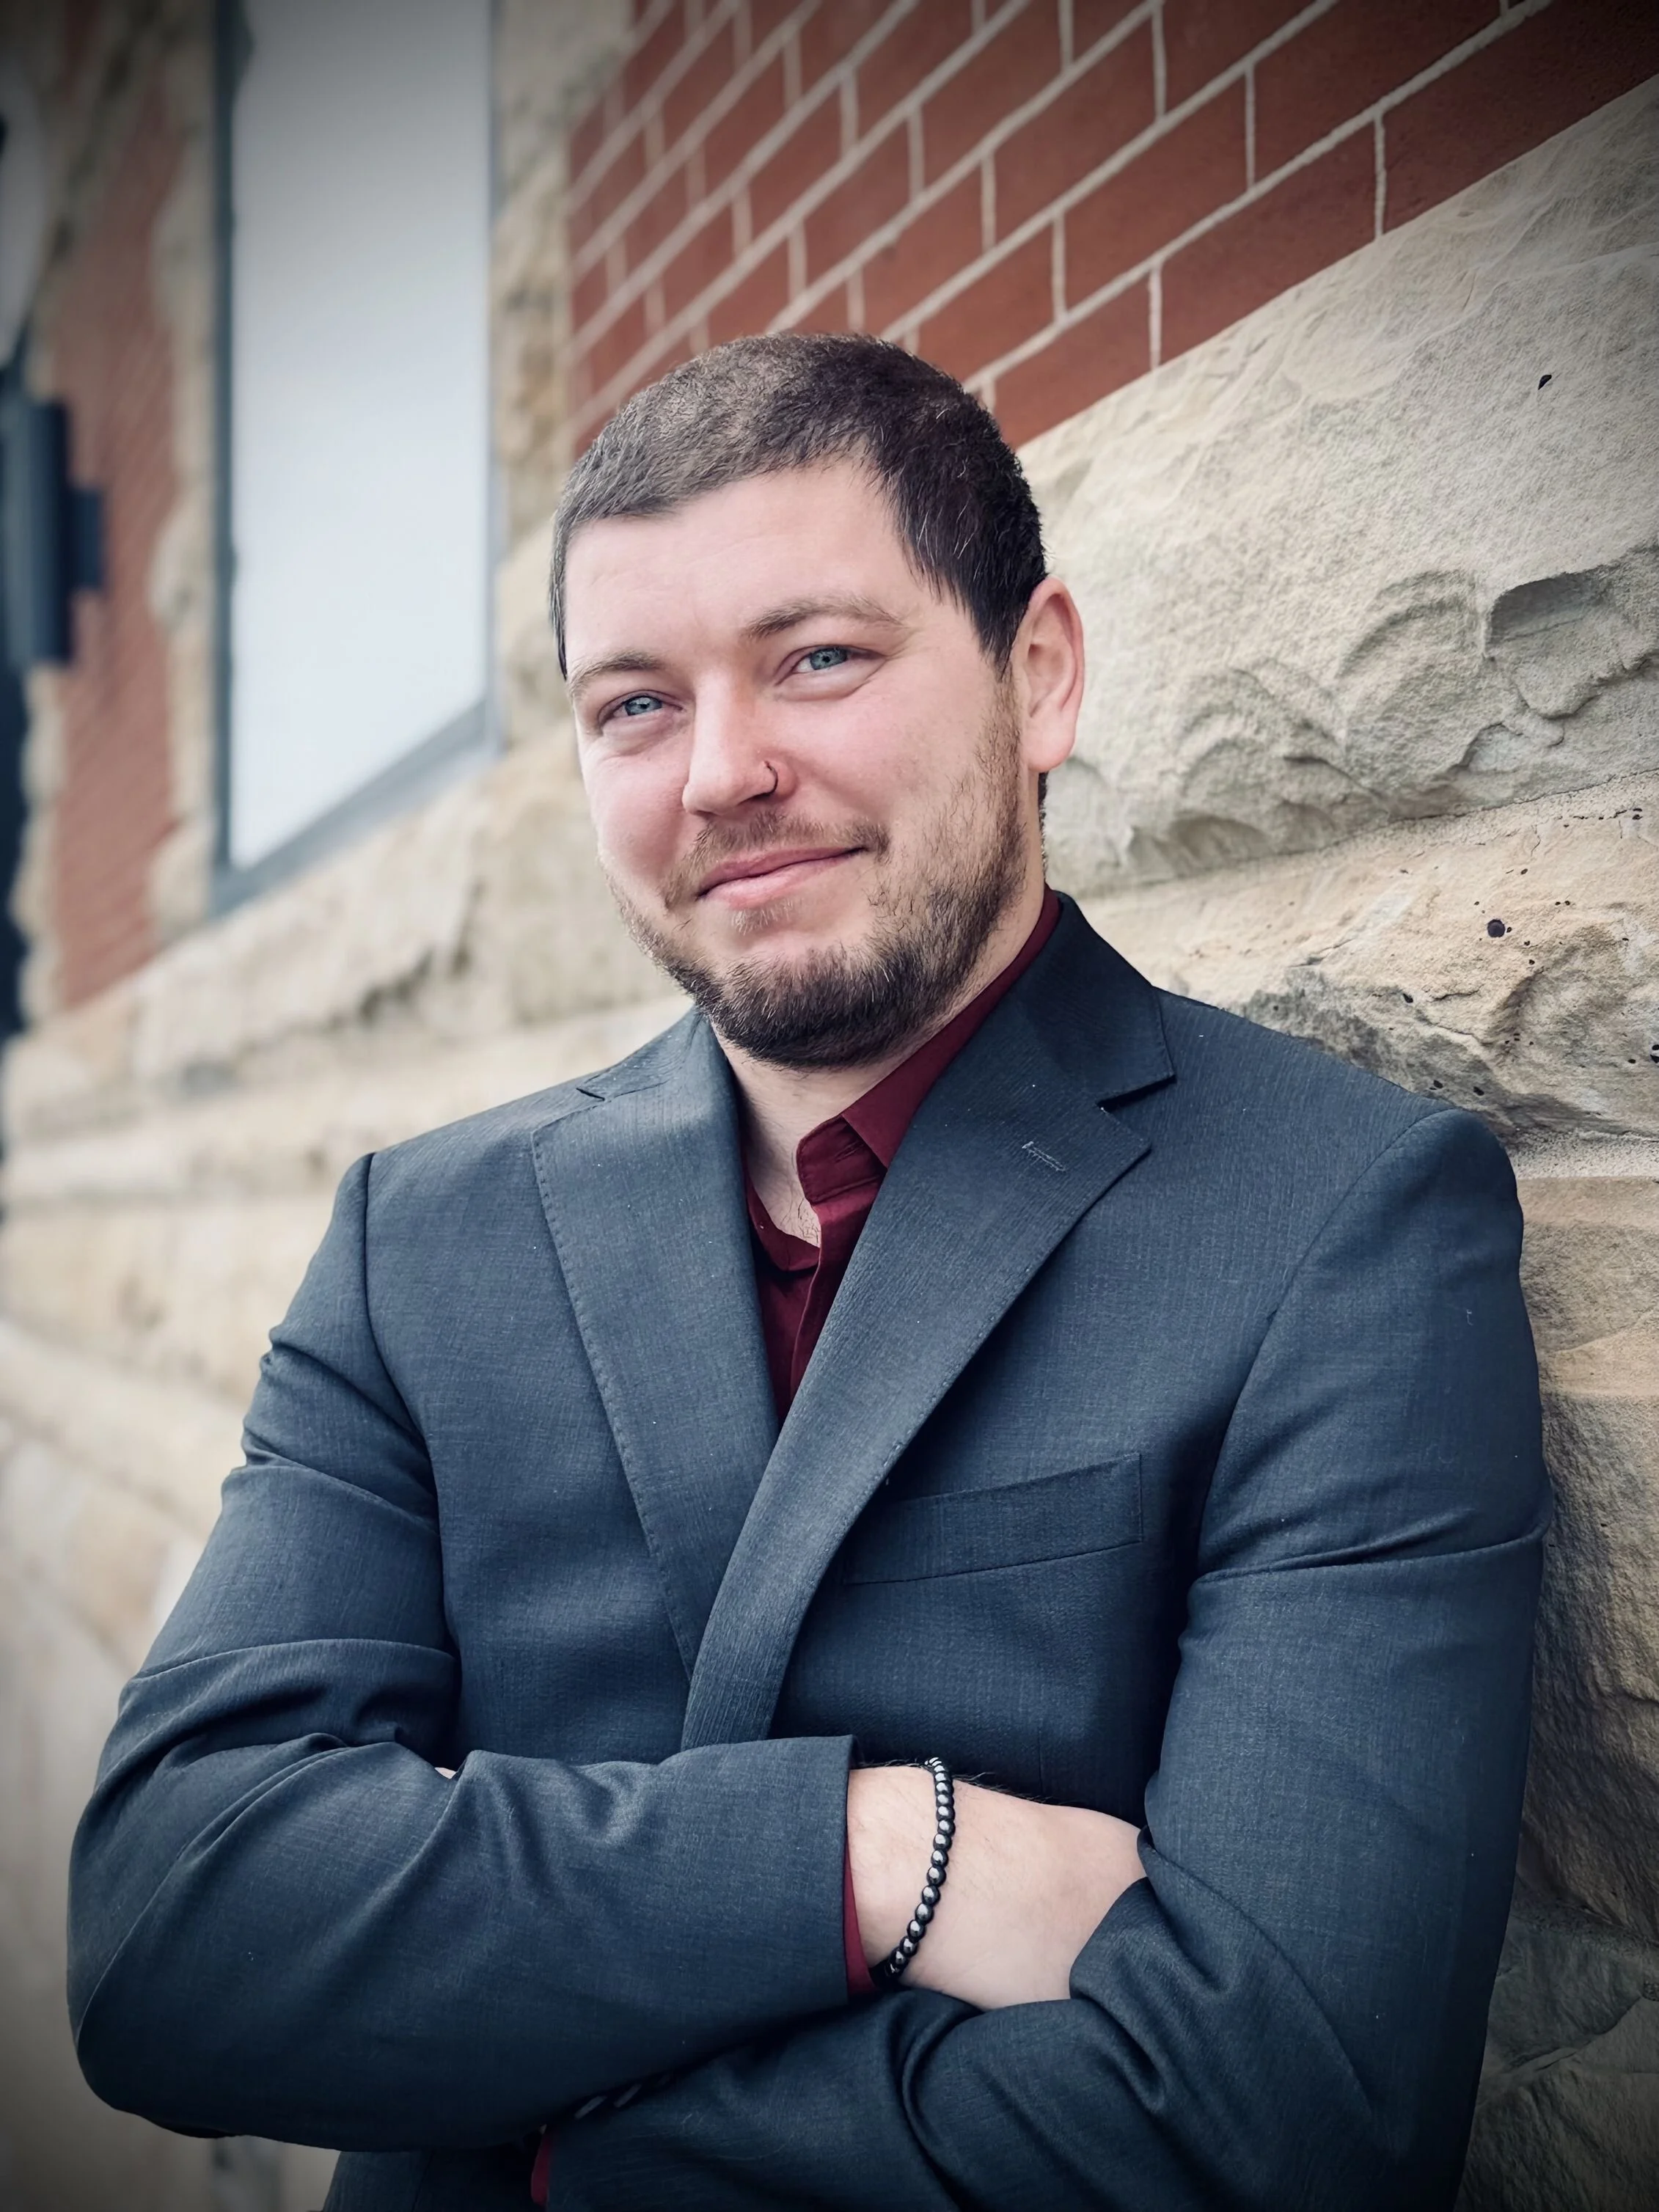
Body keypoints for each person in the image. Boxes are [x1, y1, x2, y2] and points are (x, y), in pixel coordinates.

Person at [68, 335, 1548, 2211]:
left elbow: (1283, 2125)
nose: (724, 772)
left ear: (1039, 675)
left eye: (818, 658)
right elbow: (172, 1937)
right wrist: (876, 1856)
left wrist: (524, 2110)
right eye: (632, 705)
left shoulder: (1336, 1221)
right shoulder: (419, 1246)